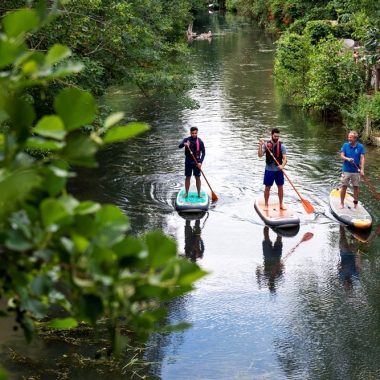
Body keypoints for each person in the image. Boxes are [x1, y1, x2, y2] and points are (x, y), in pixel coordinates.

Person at [258, 128, 287, 211]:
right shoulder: (266, 144)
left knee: (280, 187)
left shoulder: (282, 146)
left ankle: (281, 204)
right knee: (267, 187)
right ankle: (266, 205)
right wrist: (260, 145)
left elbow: (285, 158)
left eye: (278, 136)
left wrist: (282, 165)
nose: (276, 138)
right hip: (269, 170)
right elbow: (260, 155)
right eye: (275, 136)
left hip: (278, 171)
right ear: (272, 135)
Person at [339, 130, 365, 209]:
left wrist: (362, 169)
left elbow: (362, 158)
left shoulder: (360, 147)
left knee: (356, 187)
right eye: (348, 137)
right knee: (344, 186)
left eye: (350, 137)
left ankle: (355, 203)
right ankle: (342, 203)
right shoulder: (345, 145)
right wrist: (347, 159)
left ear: (355, 138)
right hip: (346, 170)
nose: (348, 138)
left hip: (356, 171)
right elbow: (342, 156)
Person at [178, 127, 205, 197]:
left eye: (195, 133)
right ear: (190, 133)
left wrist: (200, 162)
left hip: (197, 162)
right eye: (192, 133)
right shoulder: (186, 140)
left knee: (198, 177)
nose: (194, 134)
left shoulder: (200, 141)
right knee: (188, 177)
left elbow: (204, 153)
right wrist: (184, 144)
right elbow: (179, 146)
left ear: (197, 133)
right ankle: (186, 193)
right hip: (188, 162)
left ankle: (199, 193)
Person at [256, 226, 284, 293]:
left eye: (271, 285)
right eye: (272, 285)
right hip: (276, 257)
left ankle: (267, 224)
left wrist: (259, 279)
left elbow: (257, 270)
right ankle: (277, 225)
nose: (271, 284)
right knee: (278, 238)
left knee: (267, 237)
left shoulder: (266, 278)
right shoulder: (277, 278)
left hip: (269, 256)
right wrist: (280, 265)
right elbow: (282, 267)